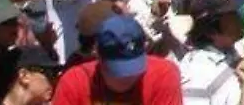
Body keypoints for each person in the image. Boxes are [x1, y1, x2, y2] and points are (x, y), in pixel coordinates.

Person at [52, 14, 185, 105]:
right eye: (116, 70)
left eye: (134, 68)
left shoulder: (163, 75)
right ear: (97, 54)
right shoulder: (75, 82)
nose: (126, 77)